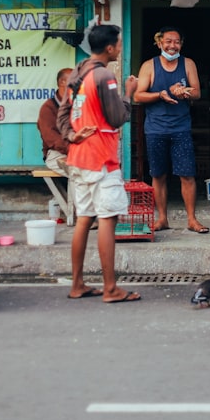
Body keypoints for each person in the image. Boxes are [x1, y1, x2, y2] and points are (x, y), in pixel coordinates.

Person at [58, 24, 141, 303]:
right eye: (118, 44)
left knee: (84, 219)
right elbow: (118, 118)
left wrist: (71, 135)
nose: (120, 48)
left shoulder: (78, 72)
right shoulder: (104, 75)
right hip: (101, 158)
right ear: (109, 48)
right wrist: (129, 92)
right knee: (108, 218)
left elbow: (63, 115)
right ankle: (110, 288)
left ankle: (77, 284)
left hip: (78, 157)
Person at [133, 27, 208, 233]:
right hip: (155, 129)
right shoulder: (149, 66)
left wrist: (184, 92)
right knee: (158, 175)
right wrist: (161, 94)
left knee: (187, 175)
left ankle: (192, 220)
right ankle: (162, 219)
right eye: (168, 42)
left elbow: (197, 93)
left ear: (181, 45)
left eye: (176, 42)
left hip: (181, 128)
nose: (172, 46)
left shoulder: (188, 63)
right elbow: (138, 96)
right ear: (159, 43)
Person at [38, 67, 74, 176]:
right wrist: (74, 150)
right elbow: (51, 138)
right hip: (56, 153)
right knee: (77, 171)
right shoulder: (48, 108)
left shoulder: (77, 103)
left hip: (77, 151)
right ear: (62, 82)